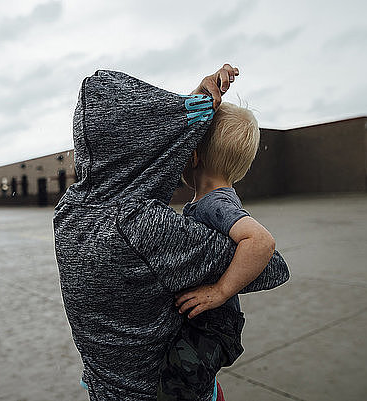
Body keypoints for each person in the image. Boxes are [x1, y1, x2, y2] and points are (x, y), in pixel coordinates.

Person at [53, 64, 289, 401]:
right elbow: (272, 265)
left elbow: (138, 158)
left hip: (104, 386)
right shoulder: (138, 223)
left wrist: (198, 104)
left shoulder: (68, 213)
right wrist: (223, 289)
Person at [157, 102, 277, 401]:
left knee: (173, 388)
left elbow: (261, 242)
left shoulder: (214, 203)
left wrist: (220, 290)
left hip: (212, 326)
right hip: (211, 326)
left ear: (193, 156)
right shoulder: (214, 200)